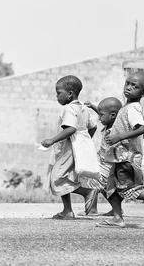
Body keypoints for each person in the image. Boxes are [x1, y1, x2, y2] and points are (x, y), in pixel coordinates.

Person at [96, 71, 144, 228]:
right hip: (120, 157)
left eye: (134, 86)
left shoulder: (133, 109)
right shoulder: (127, 107)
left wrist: (119, 137)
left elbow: (143, 129)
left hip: (126, 158)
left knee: (126, 188)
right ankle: (117, 218)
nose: (129, 87)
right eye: (127, 83)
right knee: (110, 187)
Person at [41, 75, 99, 220]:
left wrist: (52, 140)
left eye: (59, 93)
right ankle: (67, 211)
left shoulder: (69, 108)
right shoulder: (85, 109)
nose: (57, 96)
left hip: (68, 148)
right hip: (77, 148)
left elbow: (70, 129)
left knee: (57, 178)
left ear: (70, 94)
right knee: (63, 177)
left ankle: (87, 192)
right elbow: (92, 127)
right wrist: (83, 141)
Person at [84, 97, 123, 217]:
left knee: (95, 180)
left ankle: (93, 209)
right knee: (103, 187)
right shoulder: (109, 122)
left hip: (109, 164)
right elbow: (104, 114)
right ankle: (116, 209)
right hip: (104, 161)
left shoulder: (115, 130)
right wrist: (92, 106)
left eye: (101, 116)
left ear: (112, 115)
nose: (99, 118)